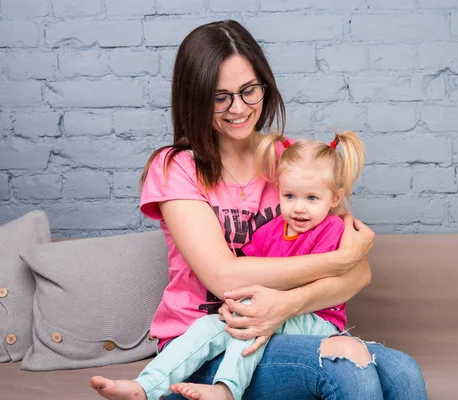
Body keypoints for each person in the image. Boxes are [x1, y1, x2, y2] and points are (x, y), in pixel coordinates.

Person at [90, 19, 428, 400]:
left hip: (283, 325)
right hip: (208, 340)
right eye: (220, 97)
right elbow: (224, 276)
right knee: (347, 371)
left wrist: (288, 303)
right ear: (195, 98)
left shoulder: (295, 163)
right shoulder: (177, 168)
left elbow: (358, 271)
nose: (239, 108)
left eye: (249, 90)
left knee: (404, 373)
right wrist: (337, 264)